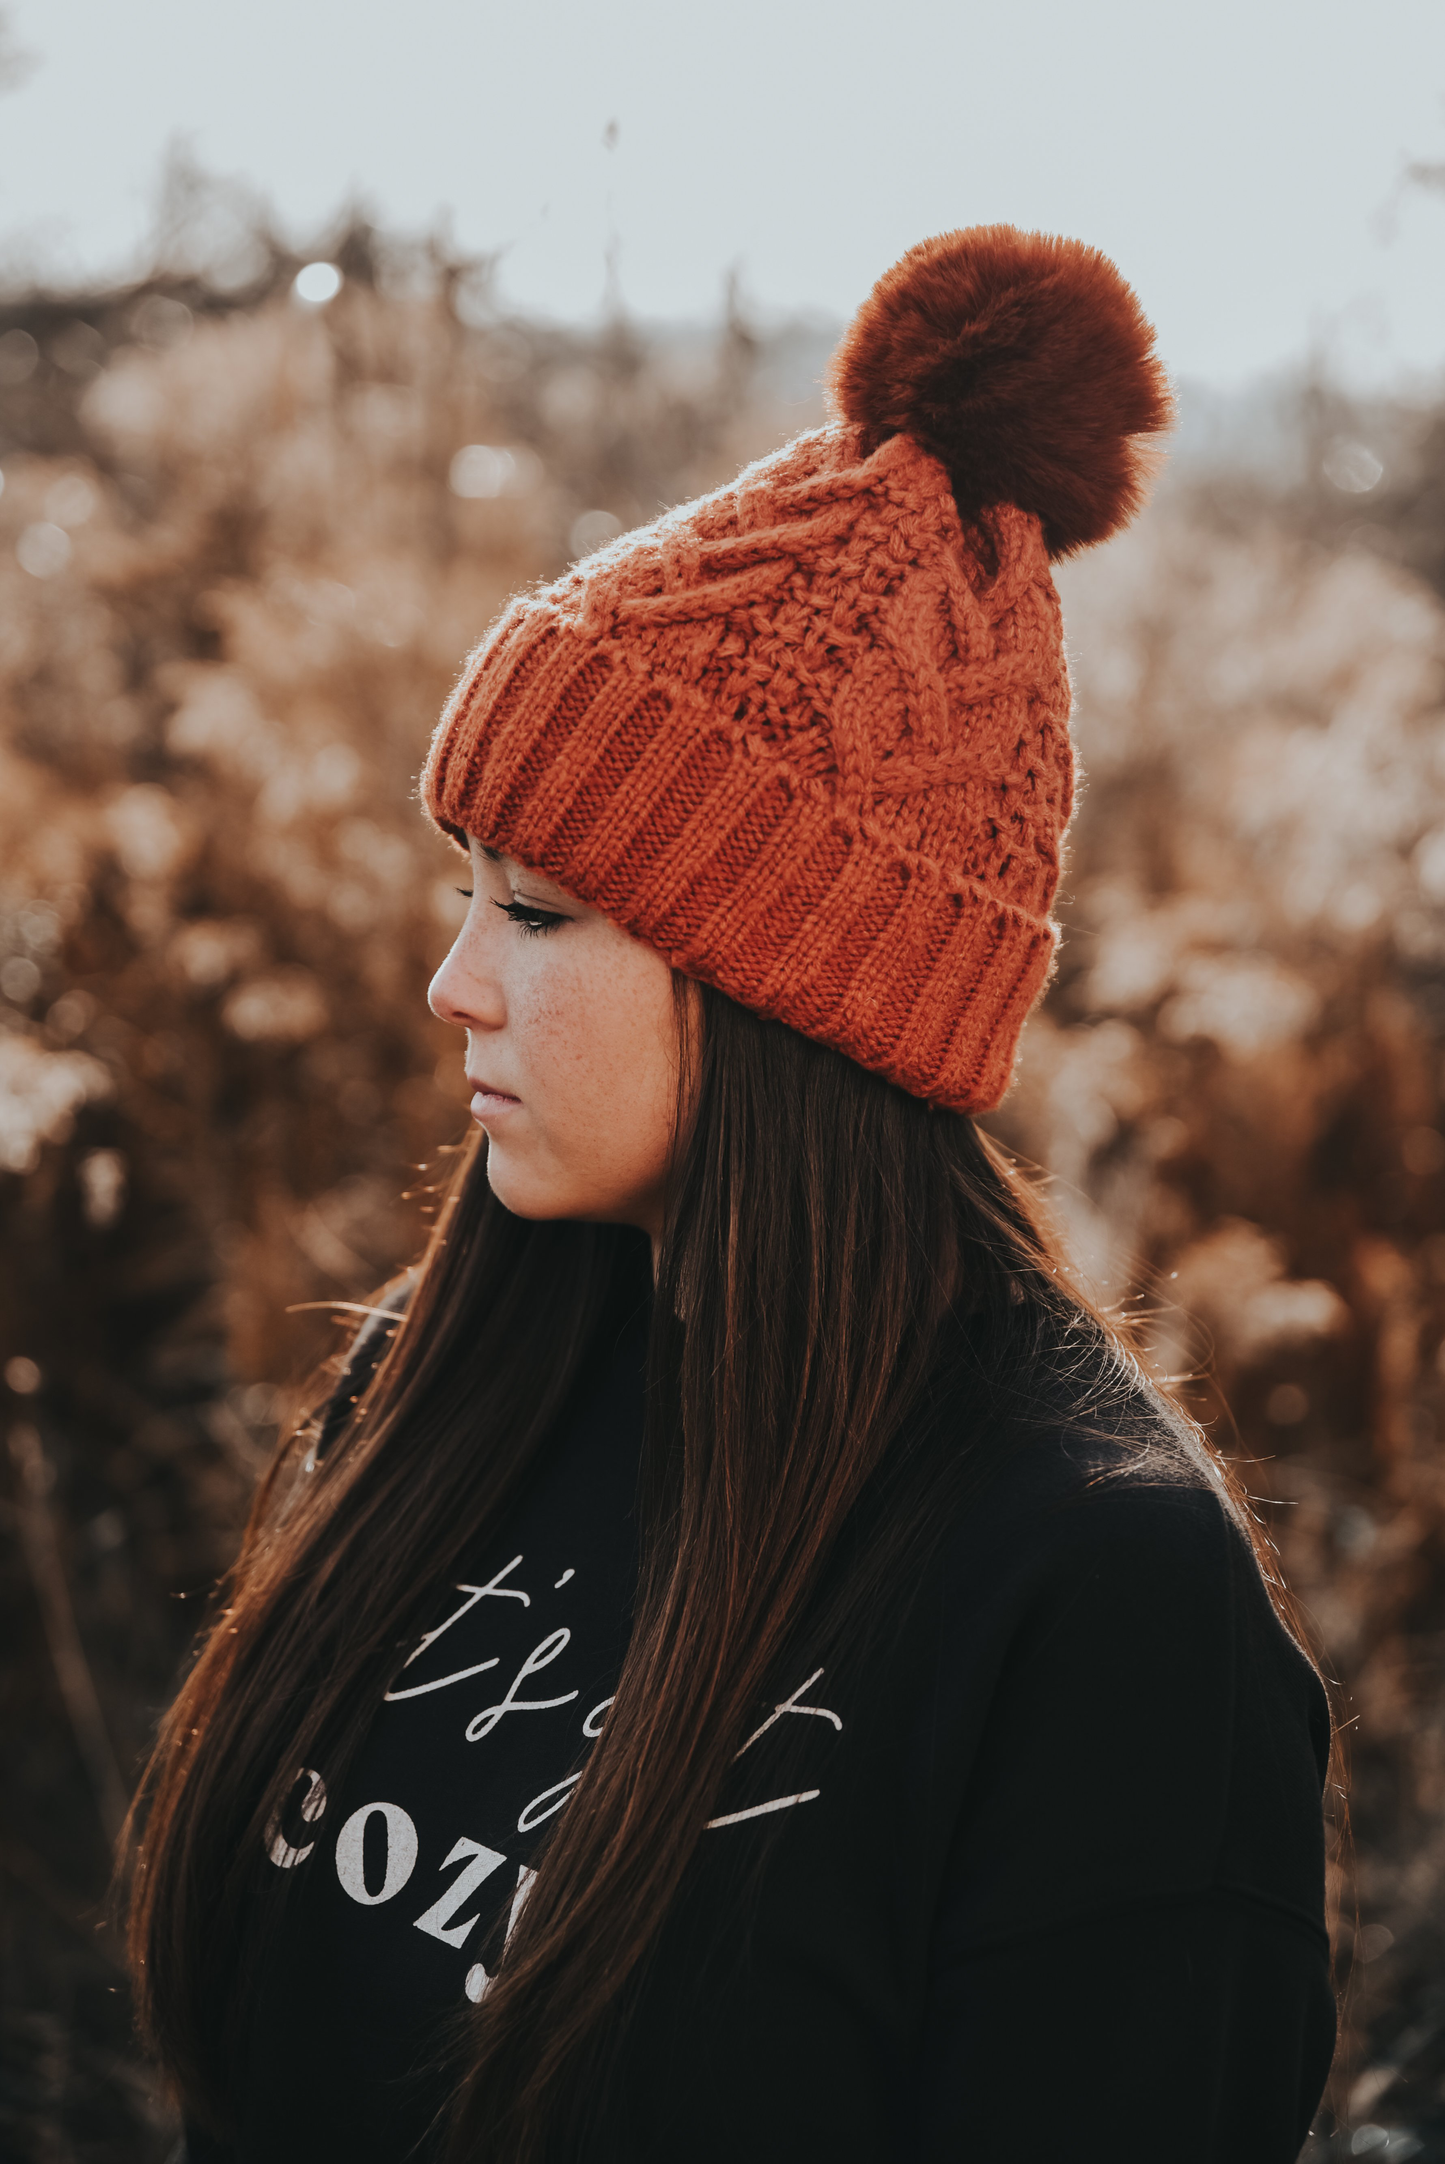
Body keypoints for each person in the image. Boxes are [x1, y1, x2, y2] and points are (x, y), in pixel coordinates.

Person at [126, 226, 1336, 2164]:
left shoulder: (1095, 1604)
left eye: (535, 910)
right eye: (468, 888)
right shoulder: (441, 1388)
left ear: (795, 989)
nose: (454, 979)